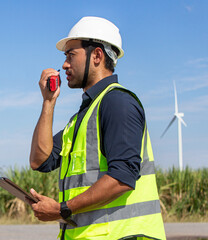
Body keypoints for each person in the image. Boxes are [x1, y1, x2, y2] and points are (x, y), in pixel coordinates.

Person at [28, 16, 166, 240]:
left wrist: (62, 209)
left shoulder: (117, 103)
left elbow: (122, 178)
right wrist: (48, 102)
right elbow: (39, 160)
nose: (64, 64)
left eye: (71, 55)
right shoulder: (81, 119)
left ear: (97, 55)